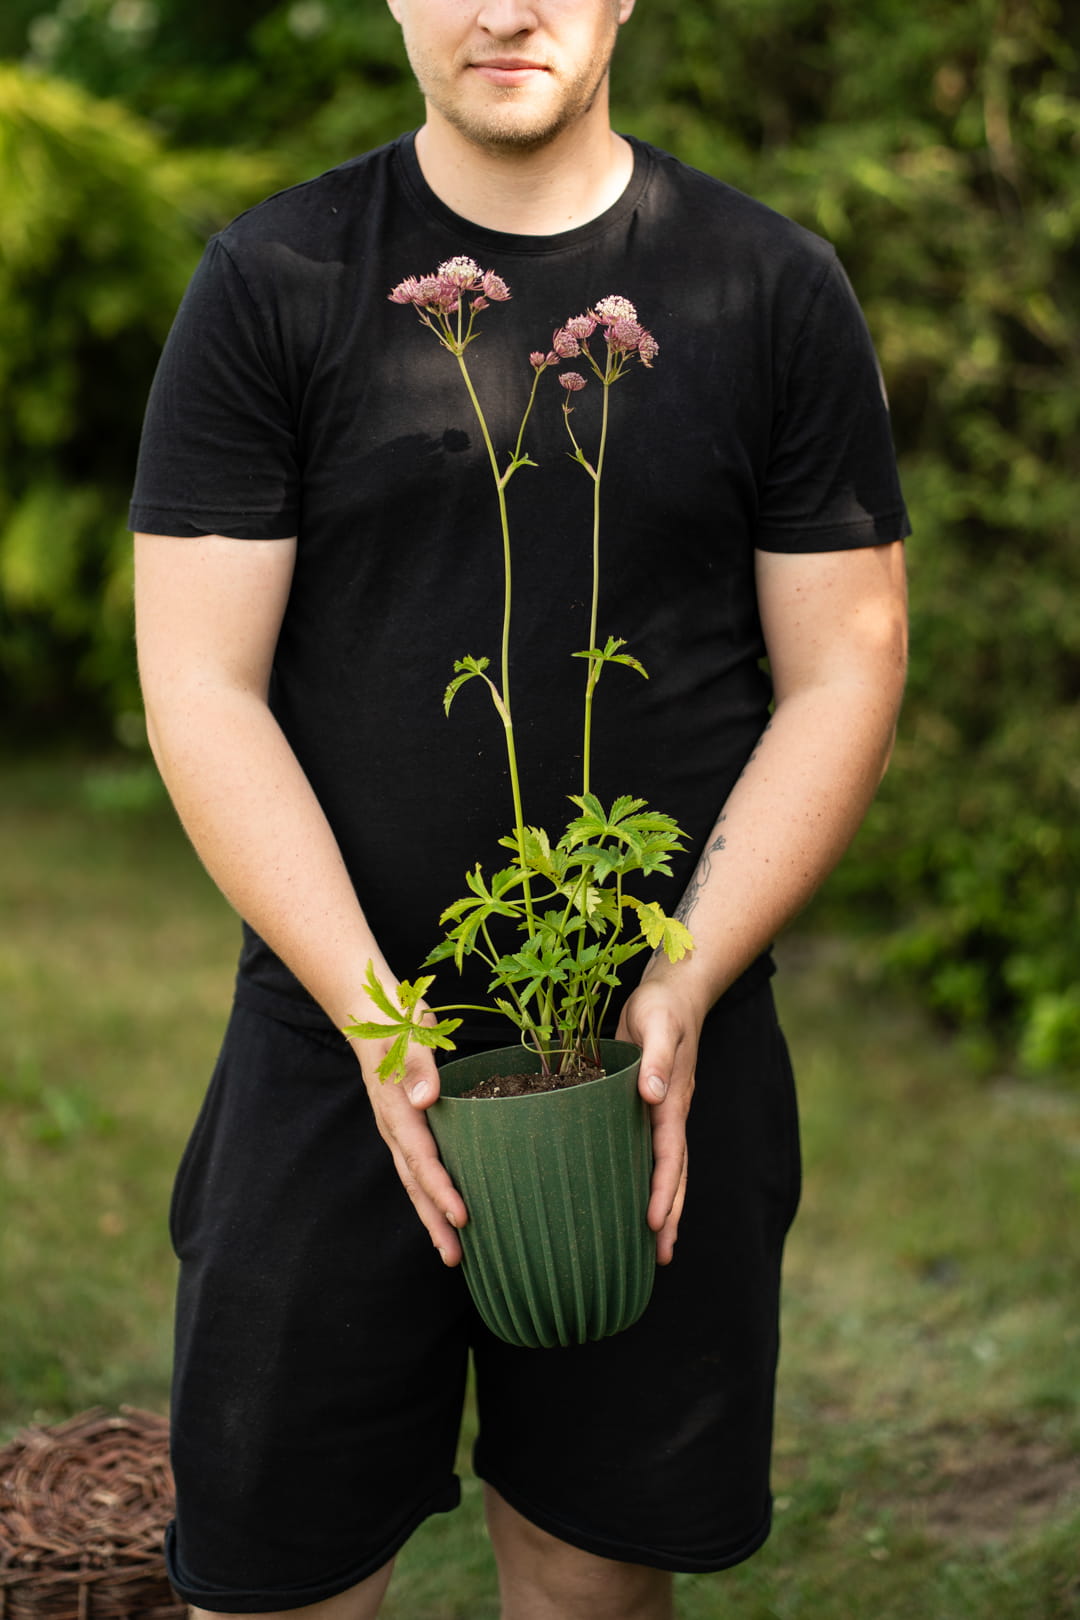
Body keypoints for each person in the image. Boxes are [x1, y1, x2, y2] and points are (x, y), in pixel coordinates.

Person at [130, 1, 909, 1616]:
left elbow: (847, 669)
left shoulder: (768, 288)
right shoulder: (275, 281)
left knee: (590, 1578)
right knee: (270, 1582)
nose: (502, 9)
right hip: (333, 1046)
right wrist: (375, 1019)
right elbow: (201, 684)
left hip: (656, 1060)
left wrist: (683, 976)